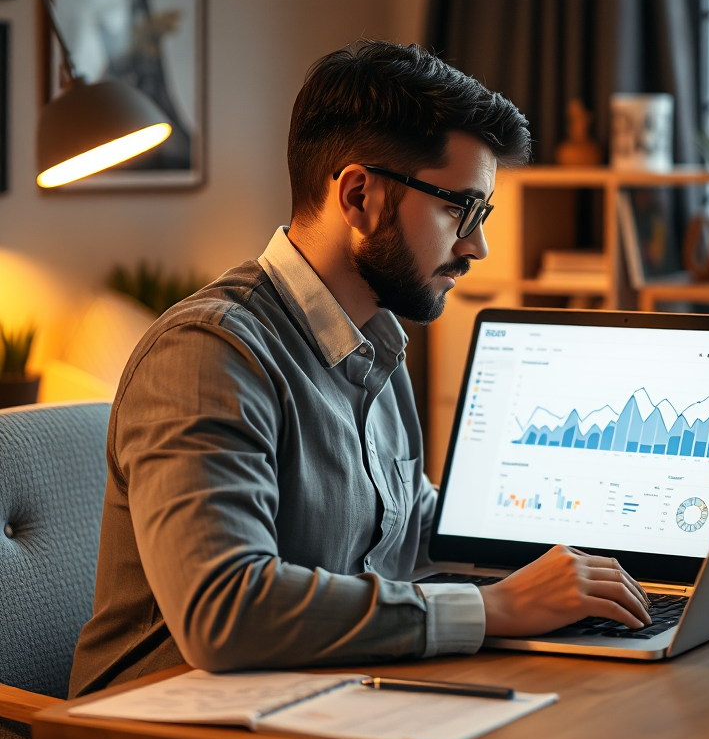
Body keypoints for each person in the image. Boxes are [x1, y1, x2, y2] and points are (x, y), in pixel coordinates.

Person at [69, 42, 651, 698]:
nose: (476, 246)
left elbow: (419, 531)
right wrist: (493, 609)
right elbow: (225, 610)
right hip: (160, 728)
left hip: (322, 701)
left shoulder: (376, 343)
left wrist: (610, 550)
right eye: (460, 208)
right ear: (358, 195)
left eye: (481, 214)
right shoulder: (208, 355)